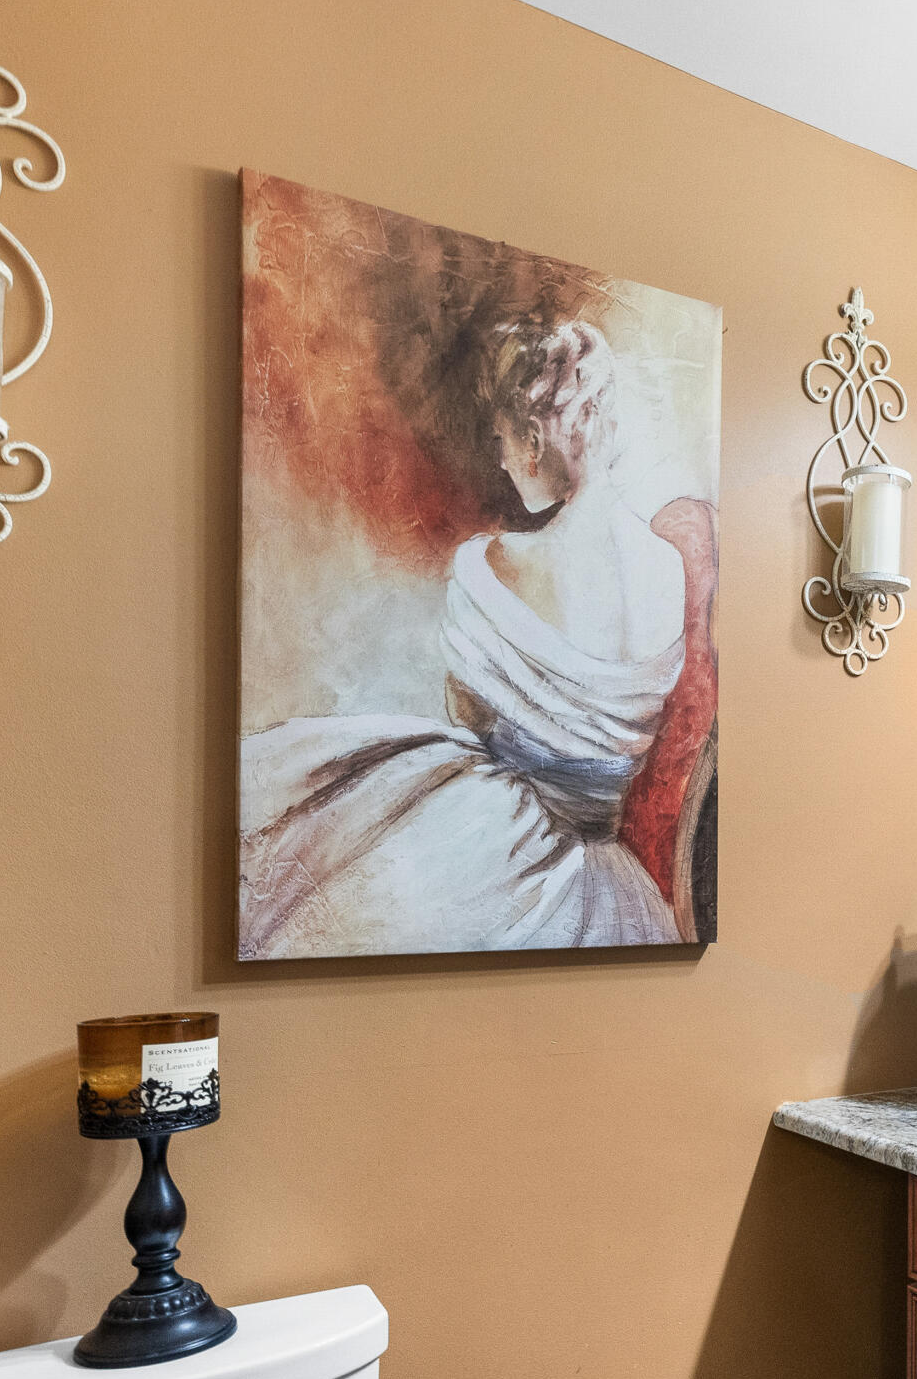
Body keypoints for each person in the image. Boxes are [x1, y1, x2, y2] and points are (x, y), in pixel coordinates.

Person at [240, 317, 693, 955]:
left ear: (534, 441)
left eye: (505, 440)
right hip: (602, 853)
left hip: (505, 840)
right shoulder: (669, 566)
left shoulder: (490, 563)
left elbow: (470, 718)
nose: (504, 460)